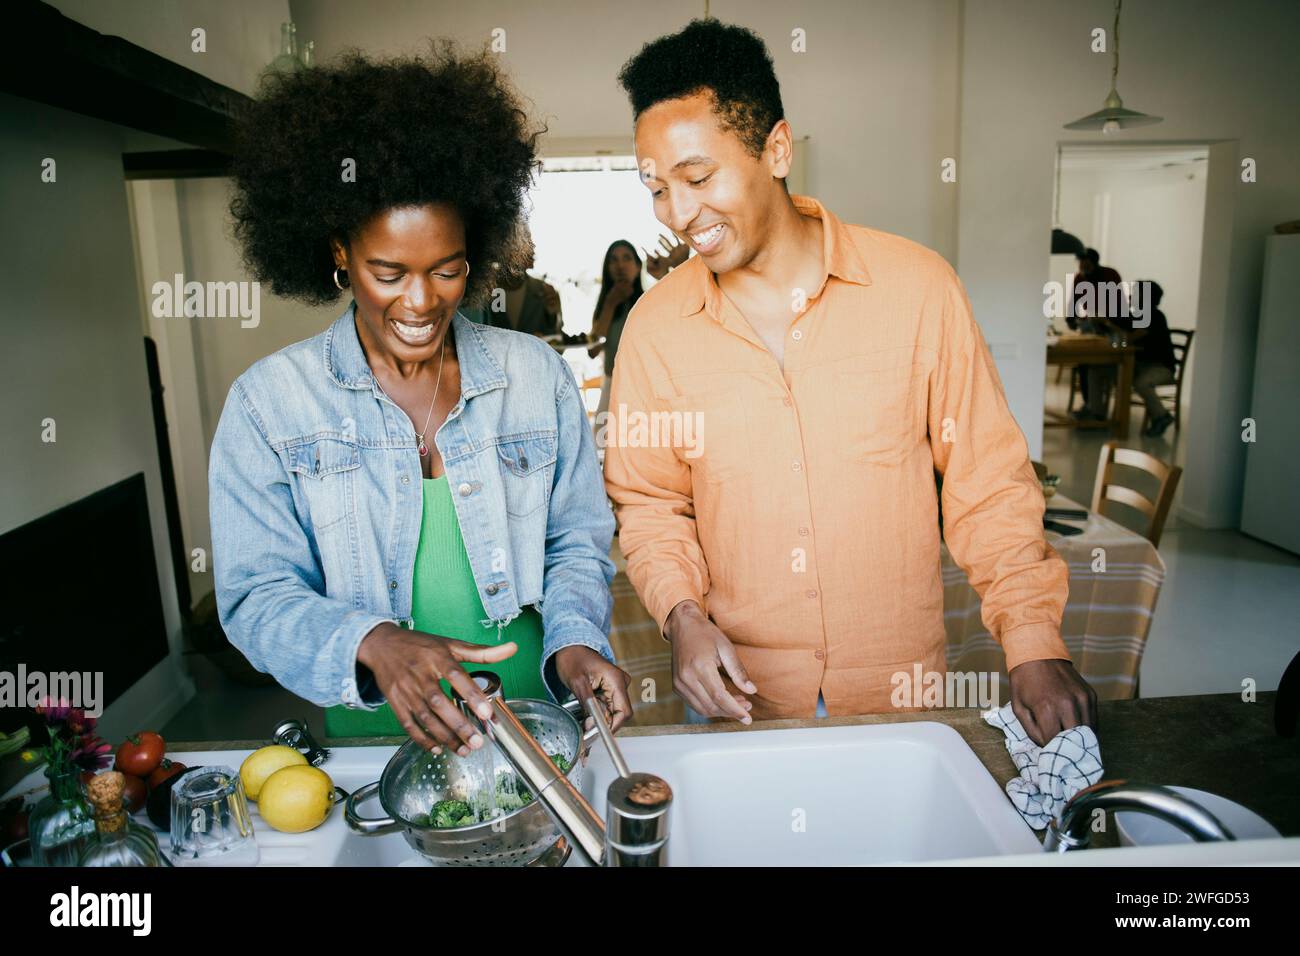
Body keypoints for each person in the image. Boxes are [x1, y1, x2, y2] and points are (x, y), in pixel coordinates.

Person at [604, 19, 1095, 745]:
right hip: (740, 703)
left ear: (775, 148)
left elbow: (987, 481)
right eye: (656, 188)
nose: (678, 216)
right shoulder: (655, 327)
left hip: (901, 700)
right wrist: (682, 615)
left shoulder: (919, 289)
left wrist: (1033, 643)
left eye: (698, 177)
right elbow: (651, 504)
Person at [211, 44, 632, 755]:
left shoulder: (535, 378)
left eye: (446, 270)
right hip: (377, 748)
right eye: (388, 271)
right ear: (339, 252)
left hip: (535, 729)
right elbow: (256, 596)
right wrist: (372, 641)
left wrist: (575, 643)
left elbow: (577, 540)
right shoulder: (269, 405)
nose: (420, 300)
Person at [588, 240, 645, 420]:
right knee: (604, 443)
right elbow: (592, 350)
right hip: (612, 387)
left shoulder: (649, 302)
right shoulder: (604, 306)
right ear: (607, 268)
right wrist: (610, 305)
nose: (620, 265)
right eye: (613, 260)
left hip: (644, 387)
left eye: (626, 258)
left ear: (637, 267)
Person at [1115, 280, 1178, 437]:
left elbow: (1128, 338)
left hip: (1161, 367)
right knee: (1108, 371)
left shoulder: (1154, 316)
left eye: (1136, 293)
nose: (1131, 296)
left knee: (1141, 383)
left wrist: (1109, 325)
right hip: (1142, 364)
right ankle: (1099, 415)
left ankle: (1161, 416)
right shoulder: (1139, 315)